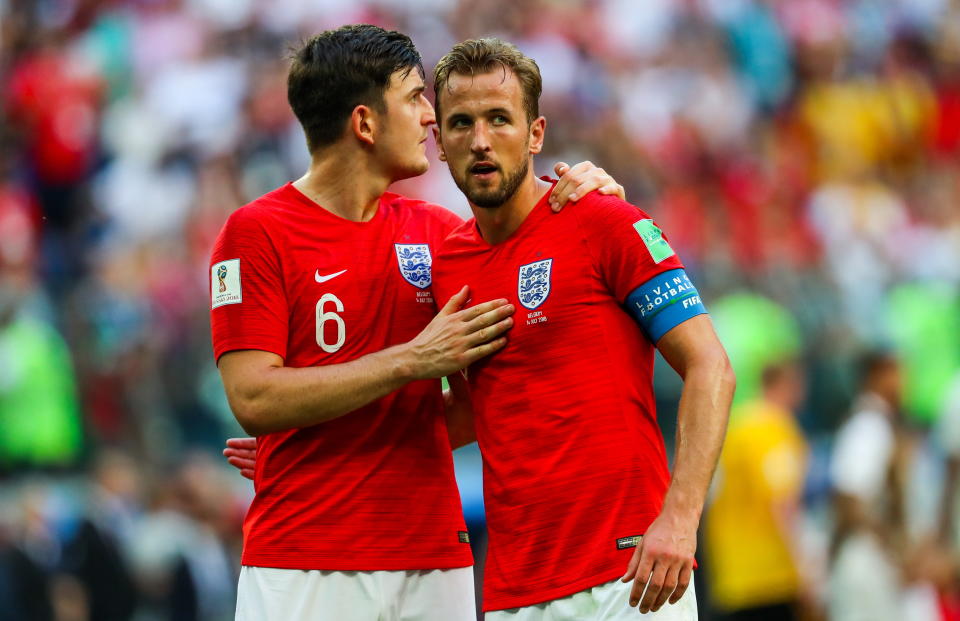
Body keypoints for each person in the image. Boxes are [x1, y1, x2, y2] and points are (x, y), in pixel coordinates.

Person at [210, 24, 622, 621]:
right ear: (364, 123)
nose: (431, 116)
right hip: (304, 558)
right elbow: (252, 395)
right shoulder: (256, 232)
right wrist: (412, 360)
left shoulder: (440, 235)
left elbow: (484, 394)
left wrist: (592, 189)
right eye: (413, 97)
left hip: (435, 560)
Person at [427, 39, 735, 619]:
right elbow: (470, 412)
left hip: (633, 574)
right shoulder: (447, 266)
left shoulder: (605, 220)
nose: (481, 140)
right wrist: (309, 446)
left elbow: (710, 366)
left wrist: (679, 518)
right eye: (461, 124)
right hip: (516, 590)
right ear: (439, 142)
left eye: (500, 118)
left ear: (537, 134)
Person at [705, 360, 810, 621]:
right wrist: (806, 568)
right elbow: (783, 501)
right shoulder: (772, 428)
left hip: (731, 572)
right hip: (769, 576)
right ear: (790, 386)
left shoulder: (737, 424)